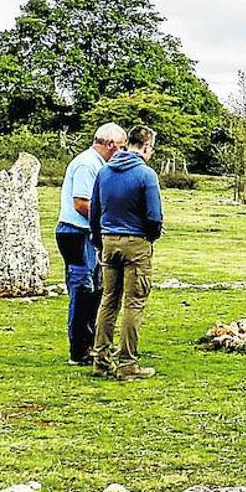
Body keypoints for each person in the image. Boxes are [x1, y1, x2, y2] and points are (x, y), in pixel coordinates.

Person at [89, 125, 163, 381]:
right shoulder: (146, 174)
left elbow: (94, 211)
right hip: (136, 242)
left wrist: (99, 242)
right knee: (134, 302)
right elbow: (154, 216)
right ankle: (128, 363)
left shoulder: (104, 171)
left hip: (108, 241)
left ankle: (100, 359)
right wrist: (150, 238)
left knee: (108, 300)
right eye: (151, 148)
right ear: (145, 146)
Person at [56, 123, 127, 365]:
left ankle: (93, 344)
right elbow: (81, 203)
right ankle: (79, 350)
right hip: (76, 232)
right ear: (110, 145)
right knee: (83, 289)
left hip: (87, 233)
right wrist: (108, 220)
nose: (122, 151)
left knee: (96, 289)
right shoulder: (88, 164)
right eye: (121, 146)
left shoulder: (99, 164)